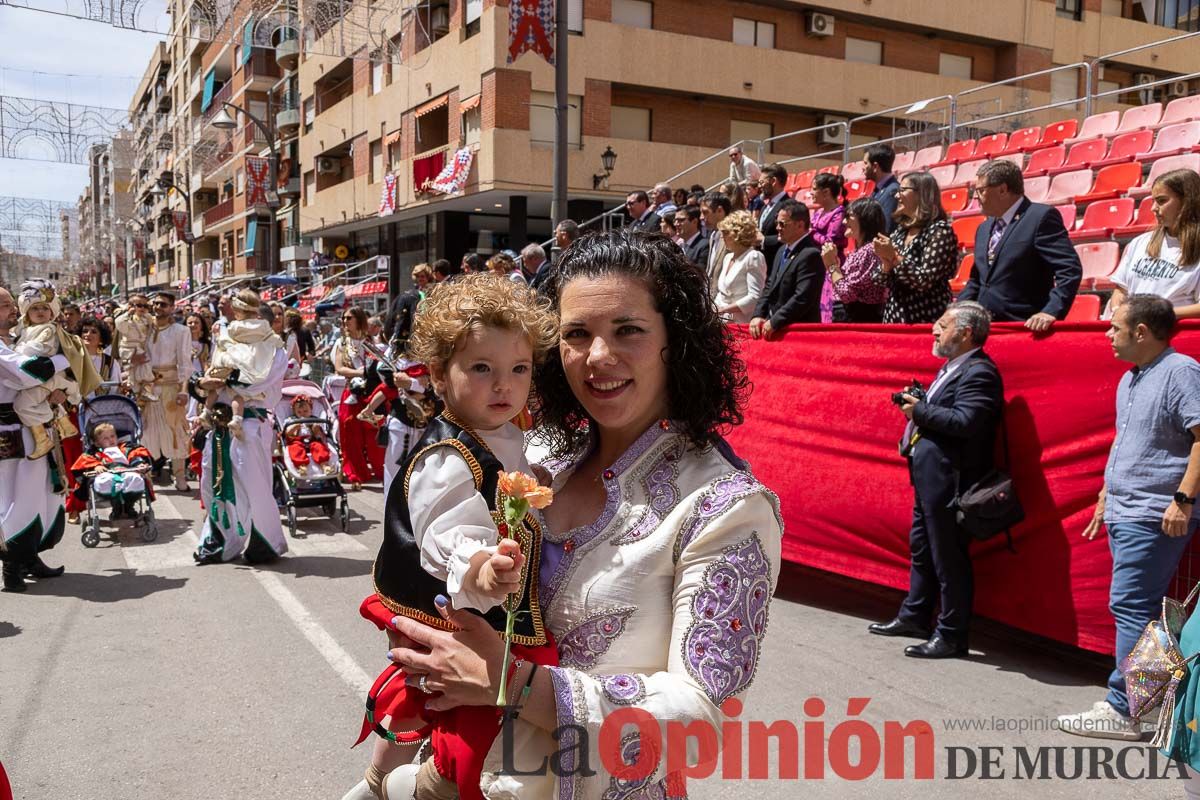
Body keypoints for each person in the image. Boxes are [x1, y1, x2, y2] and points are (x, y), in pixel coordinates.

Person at [371, 230, 782, 800]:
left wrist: (511, 684)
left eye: (629, 331)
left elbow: (698, 723)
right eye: (576, 335)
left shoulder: (724, 507)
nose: (598, 357)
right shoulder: (535, 458)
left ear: (677, 342)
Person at [351, 273, 560, 800]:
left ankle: (381, 781)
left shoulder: (511, 433)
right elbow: (447, 536)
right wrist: (482, 568)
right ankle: (409, 788)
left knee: (447, 714)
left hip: (495, 621)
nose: (503, 385)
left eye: (518, 369)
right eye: (482, 368)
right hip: (464, 619)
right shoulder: (447, 458)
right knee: (469, 734)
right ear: (441, 376)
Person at [1057, 295, 1200, 740]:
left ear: (1141, 332)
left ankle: (1127, 708)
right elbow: (1128, 444)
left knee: (1133, 607)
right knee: (1142, 609)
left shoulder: (1181, 372)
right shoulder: (1131, 379)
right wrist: (1105, 496)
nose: (1107, 334)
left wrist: (1183, 499)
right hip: (1127, 508)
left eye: (1115, 327)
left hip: (1154, 511)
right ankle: (1147, 705)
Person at [869, 301, 1003, 659]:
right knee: (923, 551)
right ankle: (915, 615)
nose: (934, 330)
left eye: (942, 325)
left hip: (953, 482)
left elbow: (966, 422)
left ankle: (952, 633)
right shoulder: (954, 367)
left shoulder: (980, 372)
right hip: (930, 478)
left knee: (948, 559)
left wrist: (919, 410)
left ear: (966, 333)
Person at [191, 314, 289, 566]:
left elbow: (255, 386)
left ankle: (263, 543)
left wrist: (226, 381)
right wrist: (201, 383)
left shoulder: (275, 350)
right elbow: (208, 378)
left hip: (250, 427)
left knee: (253, 487)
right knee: (213, 481)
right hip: (219, 425)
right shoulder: (225, 344)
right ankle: (219, 542)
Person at [0, 286, 73, 593]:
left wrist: (56, 390)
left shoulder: (19, 338)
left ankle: (30, 557)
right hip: (9, 431)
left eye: (9, 303)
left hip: (34, 425)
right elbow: (28, 373)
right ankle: (12, 565)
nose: (12, 309)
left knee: (43, 491)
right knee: (18, 497)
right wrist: (62, 361)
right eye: (4, 305)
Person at [958, 159, 1082, 331]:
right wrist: (956, 312)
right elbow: (977, 280)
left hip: (1022, 328)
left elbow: (1069, 269)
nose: (976, 197)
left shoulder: (1040, 218)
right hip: (984, 329)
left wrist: (1051, 311)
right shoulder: (983, 228)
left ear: (1002, 190)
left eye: (980, 190)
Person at [12, 281, 93, 459]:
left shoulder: (48, 329)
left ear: (52, 311)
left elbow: (34, 350)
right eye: (35, 308)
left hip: (45, 379)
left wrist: (15, 351)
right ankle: (62, 421)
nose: (40, 312)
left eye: (44, 308)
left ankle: (53, 422)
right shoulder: (24, 329)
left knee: (22, 405)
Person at [1105, 168, 1200, 319]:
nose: (1153, 208)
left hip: (1171, 336)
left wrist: (1156, 315)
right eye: (1153, 201)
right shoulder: (1140, 243)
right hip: (1133, 333)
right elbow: (1121, 289)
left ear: (1187, 201)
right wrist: (1118, 310)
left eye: (1162, 201)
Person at [872, 171, 959, 324]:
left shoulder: (939, 231)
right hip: (895, 318)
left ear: (922, 194)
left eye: (903, 190)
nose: (897, 196)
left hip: (925, 319)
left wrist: (894, 257)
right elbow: (879, 281)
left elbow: (923, 280)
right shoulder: (900, 231)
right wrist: (886, 263)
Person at [200, 290, 283, 439]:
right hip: (220, 420)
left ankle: (213, 413)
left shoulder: (274, 347)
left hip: (252, 419)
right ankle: (208, 412)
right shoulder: (228, 335)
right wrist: (203, 381)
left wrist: (229, 381)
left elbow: (259, 382)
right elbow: (213, 367)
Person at [142, 292, 194, 491]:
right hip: (148, 386)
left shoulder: (181, 331)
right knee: (147, 431)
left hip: (172, 386)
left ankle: (179, 476)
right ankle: (146, 476)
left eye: (163, 304)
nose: (157, 307)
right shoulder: (143, 328)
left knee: (176, 430)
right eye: (154, 303)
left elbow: (185, 363)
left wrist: (183, 390)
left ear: (172, 307)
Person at [356, 362, 433, 496]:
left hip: (426, 426)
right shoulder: (397, 363)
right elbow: (387, 384)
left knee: (423, 474)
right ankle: (393, 512)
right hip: (401, 424)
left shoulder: (431, 368)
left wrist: (412, 385)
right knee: (394, 472)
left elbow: (433, 390)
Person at [750, 200, 824, 339]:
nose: (777, 228)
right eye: (776, 223)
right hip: (776, 329)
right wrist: (758, 314)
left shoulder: (810, 254)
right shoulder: (781, 251)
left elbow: (802, 298)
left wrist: (776, 320)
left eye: (782, 224)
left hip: (798, 333)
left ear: (800, 225)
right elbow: (769, 287)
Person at [333, 306, 385, 489]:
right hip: (352, 392)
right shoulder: (342, 344)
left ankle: (380, 470)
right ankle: (356, 473)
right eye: (343, 318)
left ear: (359, 320)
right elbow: (339, 368)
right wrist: (361, 372)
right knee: (350, 433)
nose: (345, 322)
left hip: (371, 392)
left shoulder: (371, 342)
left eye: (349, 318)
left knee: (373, 431)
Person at [69, 422, 153, 522]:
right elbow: (85, 462)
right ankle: (116, 505)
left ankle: (129, 506)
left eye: (112, 436)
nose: (110, 440)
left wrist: (139, 464)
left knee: (136, 478)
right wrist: (96, 466)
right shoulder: (95, 453)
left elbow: (134, 456)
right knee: (104, 481)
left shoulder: (125, 448)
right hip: (107, 474)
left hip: (126, 471)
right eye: (105, 438)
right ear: (97, 443)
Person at [823, 198, 890, 322]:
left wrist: (832, 265)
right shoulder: (861, 251)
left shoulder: (869, 251)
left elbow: (846, 294)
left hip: (860, 319)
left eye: (849, 216)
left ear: (865, 219)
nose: (843, 221)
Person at [714, 210, 768, 324]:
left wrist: (724, 310)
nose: (722, 237)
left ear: (736, 234)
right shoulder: (728, 257)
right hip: (720, 321)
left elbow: (755, 297)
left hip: (740, 323)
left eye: (725, 233)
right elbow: (722, 293)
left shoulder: (753, 257)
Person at [810, 172, 849, 323]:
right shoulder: (818, 212)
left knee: (828, 304)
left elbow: (829, 241)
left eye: (814, 189)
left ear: (826, 192)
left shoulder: (839, 214)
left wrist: (812, 234)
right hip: (816, 262)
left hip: (832, 262)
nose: (811, 193)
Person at [114, 294, 156, 403]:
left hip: (142, 347)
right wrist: (128, 313)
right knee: (134, 374)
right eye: (139, 305)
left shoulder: (148, 318)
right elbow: (119, 324)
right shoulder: (127, 319)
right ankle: (138, 392)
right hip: (129, 348)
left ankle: (144, 391)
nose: (142, 308)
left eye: (145, 306)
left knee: (144, 369)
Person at [283, 395, 335, 475]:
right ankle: (301, 467)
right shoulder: (291, 420)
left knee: (319, 447)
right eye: (299, 412)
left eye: (305, 411)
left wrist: (315, 428)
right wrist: (295, 427)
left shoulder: (314, 419)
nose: (302, 414)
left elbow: (319, 434)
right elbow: (288, 433)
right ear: (294, 412)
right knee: (295, 448)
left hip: (312, 440)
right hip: (297, 441)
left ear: (311, 410)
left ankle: (325, 466)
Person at [385, 263, 433, 350]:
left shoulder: (433, 292)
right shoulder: (412, 293)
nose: (420, 279)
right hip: (415, 328)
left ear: (427, 277)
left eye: (422, 276)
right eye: (418, 276)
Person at [757, 163, 791, 271]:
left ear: (773, 181)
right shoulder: (764, 207)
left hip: (776, 266)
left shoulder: (788, 205)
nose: (759, 186)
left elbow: (790, 236)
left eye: (762, 182)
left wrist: (764, 240)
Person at [864, 143, 901, 233]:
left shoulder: (892, 191)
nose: (863, 168)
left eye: (866, 163)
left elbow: (886, 228)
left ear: (875, 166)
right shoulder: (879, 189)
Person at [701, 191, 732, 291]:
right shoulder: (713, 235)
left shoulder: (732, 237)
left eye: (705, 212)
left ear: (720, 211)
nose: (701, 217)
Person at [676, 205, 709, 269]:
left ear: (694, 221)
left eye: (681, 220)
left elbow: (700, 273)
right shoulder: (678, 245)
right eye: (676, 220)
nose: (676, 224)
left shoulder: (704, 246)